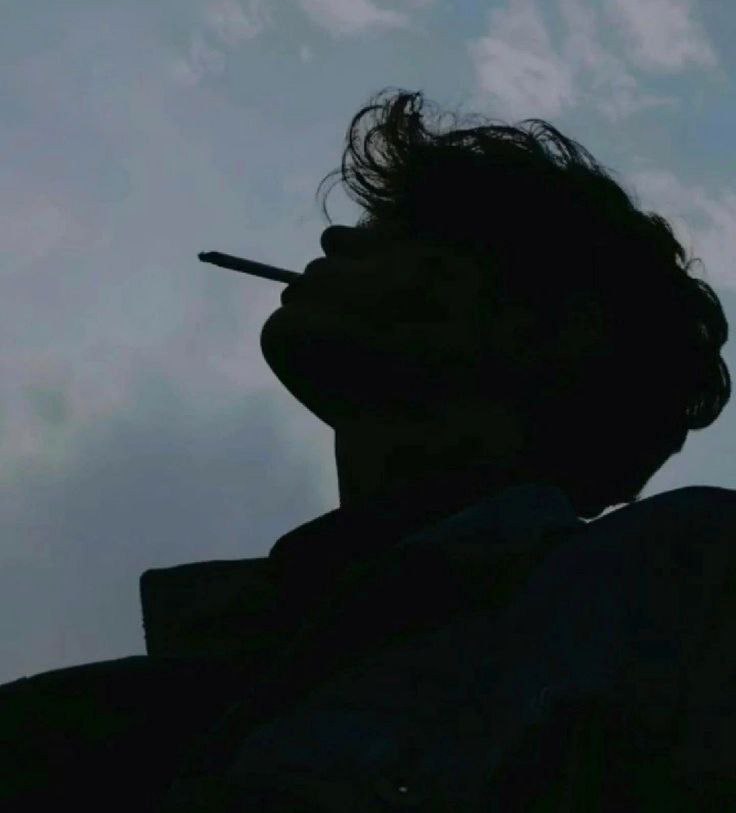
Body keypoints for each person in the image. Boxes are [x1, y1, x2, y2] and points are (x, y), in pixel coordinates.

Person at [2, 88, 734, 811]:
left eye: (413, 233)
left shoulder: (679, 579)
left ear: (540, 327)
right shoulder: (96, 722)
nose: (335, 241)